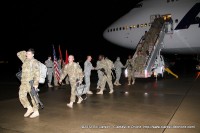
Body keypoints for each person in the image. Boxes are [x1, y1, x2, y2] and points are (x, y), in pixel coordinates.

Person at [17, 48, 40, 118]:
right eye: (27, 54)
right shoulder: (25, 60)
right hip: (23, 82)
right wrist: (25, 52)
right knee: (21, 95)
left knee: (33, 97)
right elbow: (18, 54)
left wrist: (36, 84)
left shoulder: (34, 62)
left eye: (29, 54)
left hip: (31, 82)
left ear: (33, 55)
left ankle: (36, 111)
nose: (27, 55)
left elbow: (37, 74)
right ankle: (29, 108)